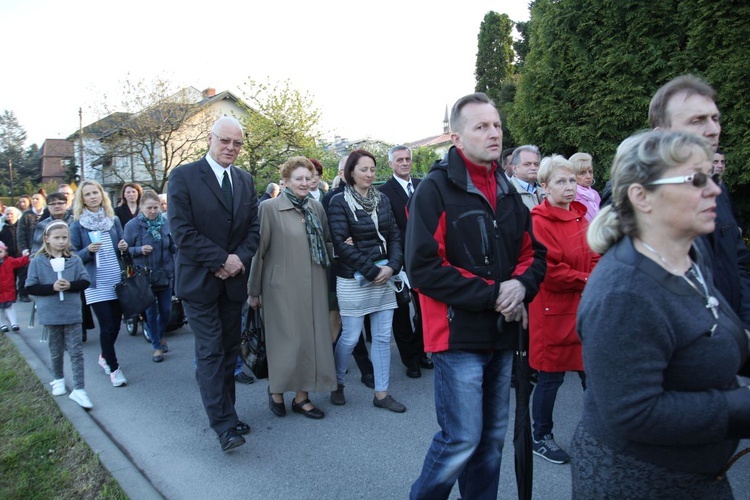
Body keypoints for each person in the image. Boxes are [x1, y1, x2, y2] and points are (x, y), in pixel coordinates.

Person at [571, 129, 750, 498]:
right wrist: (740, 408)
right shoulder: (624, 292)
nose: (714, 189)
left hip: (697, 476)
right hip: (640, 482)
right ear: (641, 197)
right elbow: (635, 412)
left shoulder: (688, 255)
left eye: (711, 176)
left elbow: (714, 332)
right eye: (695, 180)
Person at [406, 92, 546, 499]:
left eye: (497, 125)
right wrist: (494, 293)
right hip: (457, 336)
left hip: (502, 333)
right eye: (481, 126)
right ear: (457, 137)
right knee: (461, 440)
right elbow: (424, 268)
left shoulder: (507, 189)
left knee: (491, 442)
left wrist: (520, 286)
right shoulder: (434, 189)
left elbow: (533, 253)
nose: (493, 133)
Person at [168, 116, 260, 452]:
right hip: (199, 283)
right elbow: (181, 230)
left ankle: (229, 414)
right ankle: (223, 426)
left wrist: (236, 260)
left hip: (233, 282)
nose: (231, 148)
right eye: (225, 141)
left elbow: (253, 230)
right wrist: (221, 259)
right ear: (211, 139)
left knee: (229, 352)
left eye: (237, 143)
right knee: (210, 352)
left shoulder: (245, 180)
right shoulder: (184, 176)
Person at [649, 74, 750, 330]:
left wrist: (743, 328)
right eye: (697, 120)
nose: (713, 129)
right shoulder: (641, 202)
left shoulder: (717, 189)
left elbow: (739, 263)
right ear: (661, 135)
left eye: (715, 118)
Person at [248, 157, 337, 420]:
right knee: (285, 343)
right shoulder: (269, 208)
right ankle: (276, 391)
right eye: (298, 178)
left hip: (315, 286)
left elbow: (327, 243)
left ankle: (302, 397)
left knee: (310, 341)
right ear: (285, 181)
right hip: (279, 288)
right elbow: (258, 252)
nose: (304, 183)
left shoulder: (316, 207)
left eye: (308, 178)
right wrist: (254, 291)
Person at [528, 155, 598, 465]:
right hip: (552, 312)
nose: (569, 186)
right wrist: (588, 279)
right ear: (544, 187)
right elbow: (550, 271)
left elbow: (594, 254)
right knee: (550, 380)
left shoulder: (582, 217)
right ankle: (540, 436)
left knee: (592, 376)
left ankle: (604, 432)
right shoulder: (538, 221)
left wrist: (593, 276)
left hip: (582, 309)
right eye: (561, 181)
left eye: (571, 180)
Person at [328, 149, 406, 412]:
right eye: (364, 169)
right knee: (349, 337)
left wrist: (392, 266)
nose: (370, 174)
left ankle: (381, 394)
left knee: (383, 338)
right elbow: (341, 243)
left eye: (372, 169)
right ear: (351, 172)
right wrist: (372, 270)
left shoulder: (382, 199)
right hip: (353, 279)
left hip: (384, 276)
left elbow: (394, 235)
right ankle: (337, 382)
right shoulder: (338, 202)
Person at [378, 144, 432, 378]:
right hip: (398, 261)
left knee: (425, 312)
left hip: (425, 260)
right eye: (399, 159)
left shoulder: (423, 185)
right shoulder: (384, 192)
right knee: (401, 314)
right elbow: (388, 229)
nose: (404, 163)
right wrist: (395, 261)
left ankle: (421, 352)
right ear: (390, 164)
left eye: (407, 158)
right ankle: (409, 360)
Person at [25, 221, 92, 408]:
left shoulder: (75, 260)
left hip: (72, 312)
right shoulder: (38, 262)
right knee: (56, 350)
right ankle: (58, 379)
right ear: (47, 239)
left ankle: (79, 389)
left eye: (64, 237)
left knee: (76, 351)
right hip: (51, 314)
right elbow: (30, 286)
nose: (61, 241)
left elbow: (85, 281)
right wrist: (52, 288)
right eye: (57, 238)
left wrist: (70, 285)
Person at [322, 155, 375, 389]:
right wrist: (341, 243)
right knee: (342, 324)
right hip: (339, 271)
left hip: (365, 268)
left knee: (357, 323)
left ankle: (364, 370)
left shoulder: (371, 196)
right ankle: (341, 374)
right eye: (343, 168)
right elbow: (331, 237)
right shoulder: (331, 199)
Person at [70, 180, 129, 387]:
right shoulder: (77, 224)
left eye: (95, 192)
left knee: (115, 326)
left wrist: (123, 245)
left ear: (101, 195)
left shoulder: (113, 220)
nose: (93, 196)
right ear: (82, 200)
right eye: (87, 194)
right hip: (95, 282)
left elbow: (122, 246)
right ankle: (114, 369)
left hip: (116, 279)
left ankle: (104, 356)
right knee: (107, 326)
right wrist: (89, 251)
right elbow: (73, 255)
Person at [124, 190, 176, 363]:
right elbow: (125, 251)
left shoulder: (165, 223)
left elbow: (172, 247)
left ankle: (159, 334)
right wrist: (139, 250)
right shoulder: (133, 226)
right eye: (149, 208)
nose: (153, 211)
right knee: (151, 312)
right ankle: (156, 347)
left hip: (165, 273)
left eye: (156, 207)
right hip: (144, 276)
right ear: (141, 208)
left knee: (166, 310)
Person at [17, 190, 47, 302]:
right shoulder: (26, 215)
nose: (34, 201)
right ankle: (23, 294)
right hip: (30, 250)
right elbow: (21, 234)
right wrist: (24, 249)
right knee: (26, 272)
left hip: (45, 249)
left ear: (43, 201)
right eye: (33, 199)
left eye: (37, 198)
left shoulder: (47, 213)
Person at [30, 192, 74, 256]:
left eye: (60, 203)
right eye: (52, 204)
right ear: (47, 206)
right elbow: (36, 250)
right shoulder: (42, 225)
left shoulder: (75, 221)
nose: (57, 206)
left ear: (66, 204)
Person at [0, 241, 29, 332]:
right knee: (0, 309)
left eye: (0, 252)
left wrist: (26, 258)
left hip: (8, 289)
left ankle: (14, 323)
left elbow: (19, 261)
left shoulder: (9, 261)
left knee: (10, 307)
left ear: (5, 252)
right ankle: (2, 324)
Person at [510, 145, 544, 210]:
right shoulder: (508, 192)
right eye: (527, 164)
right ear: (515, 168)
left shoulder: (546, 190)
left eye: (536, 164)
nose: (533, 168)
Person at [570, 152, 601, 222]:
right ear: (573, 175)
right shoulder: (571, 197)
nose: (588, 176)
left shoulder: (595, 194)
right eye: (583, 173)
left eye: (590, 172)